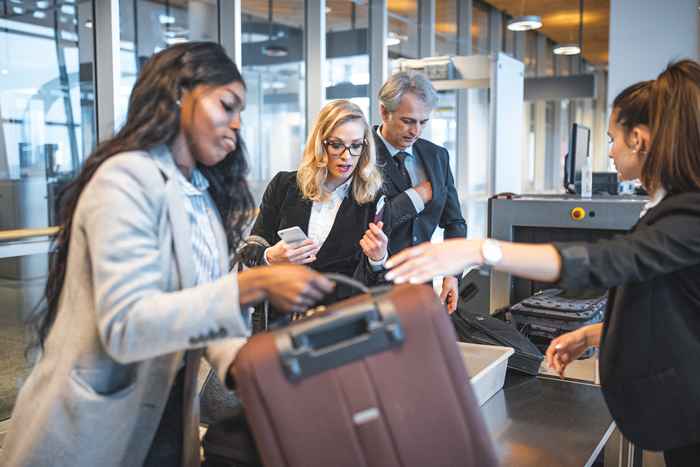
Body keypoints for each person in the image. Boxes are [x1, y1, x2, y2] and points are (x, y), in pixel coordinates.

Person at [0, 42, 333, 467]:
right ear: (178, 94)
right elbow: (126, 324)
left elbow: (206, 308)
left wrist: (245, 367)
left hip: (167, 418)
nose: (235, 125)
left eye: (240, 114)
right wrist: (253, 284)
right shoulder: (124, 180)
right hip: (93, 429)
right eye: (226, 106)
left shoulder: (199, 194)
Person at [384, 60, 700, 466]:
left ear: (638, 138)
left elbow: (612, 261)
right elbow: (680, 307)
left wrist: (482, 250)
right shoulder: (673, 207)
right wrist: (595, 334)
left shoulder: (689, 213)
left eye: (612, 138)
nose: (609, 150)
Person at [250, 99, 388, 307]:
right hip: (282, 317)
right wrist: (270, 256)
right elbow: (251, 249)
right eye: (336, 145)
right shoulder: (284, 185)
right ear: (320, 143)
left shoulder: (373, 199)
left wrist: (378, 260)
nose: (346, 157)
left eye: (356, 146)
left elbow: (377, 287)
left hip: (338, 322)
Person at [373, 70, 466, 313]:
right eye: (407, 121)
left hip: (422, 285)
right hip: (375, 286)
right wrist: (417, 196)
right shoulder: (360, 156)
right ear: (384, 112)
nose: (415, 131)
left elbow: (454, 221)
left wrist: (452, 274)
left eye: (423, 122)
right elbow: (369, 223)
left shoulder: (437, 157)